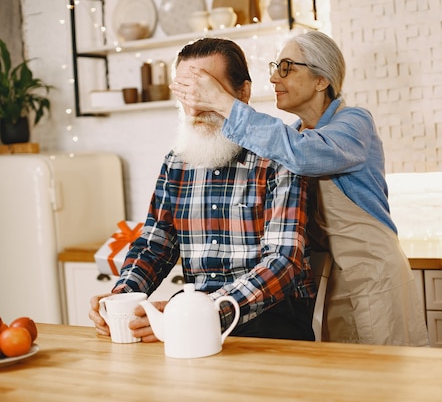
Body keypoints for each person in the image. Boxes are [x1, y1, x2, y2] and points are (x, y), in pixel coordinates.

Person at [170, 31, 428, 346]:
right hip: (331, 281)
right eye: (275, 67)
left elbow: (303, 154)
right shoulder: (294, 134)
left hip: (372, 273)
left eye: (287, 68)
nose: (274, 77)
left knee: (387, 382)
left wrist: (221, 101)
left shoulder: (354, 124)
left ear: (322, 80)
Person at [89, 37, 316, 342]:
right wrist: (120, 297)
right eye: (186, 92)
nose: (194, 105)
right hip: (192, 316)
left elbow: (282, 261)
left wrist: (204, 312)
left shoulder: (278, 153)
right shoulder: (177, 161)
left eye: (206, 91)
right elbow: (156, 244)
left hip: (269, 320)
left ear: (243, 92)